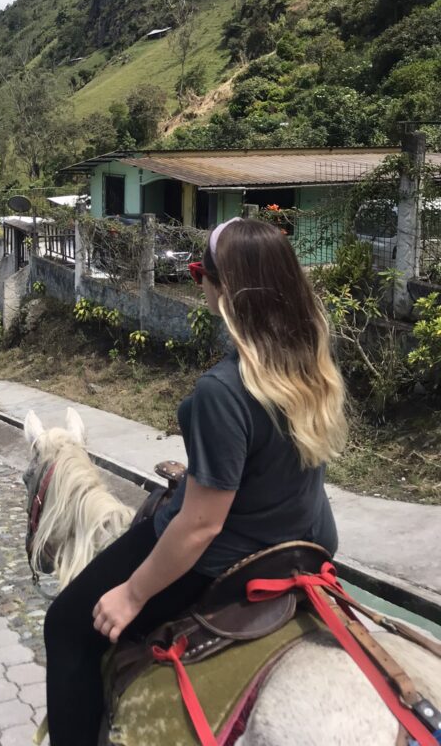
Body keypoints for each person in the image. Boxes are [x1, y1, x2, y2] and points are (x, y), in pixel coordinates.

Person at [43, 217, 348, 746]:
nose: (197, 283)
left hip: (223, 556)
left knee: (67, 625)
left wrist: (132, 596)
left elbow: (201, 525)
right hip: (305, 542)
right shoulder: (311, 359)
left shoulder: (222, 390)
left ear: (221, 288)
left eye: (197, 274)